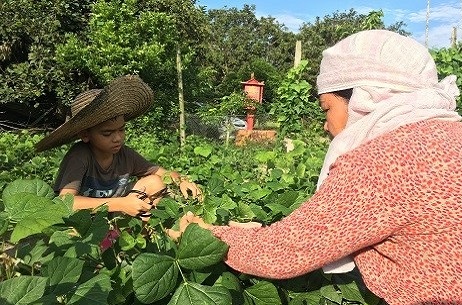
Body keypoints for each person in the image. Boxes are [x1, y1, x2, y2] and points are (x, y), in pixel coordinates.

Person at [169, 30, 462, 305]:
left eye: (327, 109)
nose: (326, 125)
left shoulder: (383, 160)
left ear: (365, 99)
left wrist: (208, 234)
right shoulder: (450, 135)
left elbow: (287, 250)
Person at [35, 75, 201, 219]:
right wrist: (120, 204)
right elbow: (66, 202)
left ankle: (142, 236)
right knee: (71, 232)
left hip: (119, 218)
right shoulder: (80, 156)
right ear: (85, 135)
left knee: (155, 183)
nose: (118, 138)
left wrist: (182, 180)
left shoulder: (125, 155)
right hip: (87, 222)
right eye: (107, 133)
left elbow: (160, 172)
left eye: (121, 129)